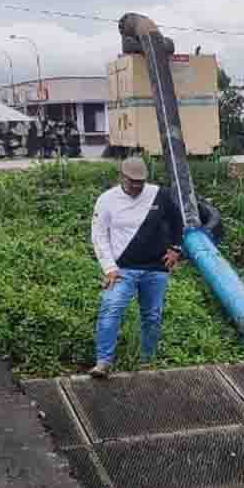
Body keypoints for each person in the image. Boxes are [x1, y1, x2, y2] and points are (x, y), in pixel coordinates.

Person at [89, 157, 184, 378]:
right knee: (111, 309)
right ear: (122, 177)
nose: (137, 187)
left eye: (141, 182)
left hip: (155, 268)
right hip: (121, 269)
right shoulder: (107, 200)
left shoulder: (159, 194)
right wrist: (109, 268)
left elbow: (177, 221)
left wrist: (176, 249)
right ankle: (103, 362)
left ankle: (147, 361)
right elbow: (99, 235)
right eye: (132, 182)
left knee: (152, 315)